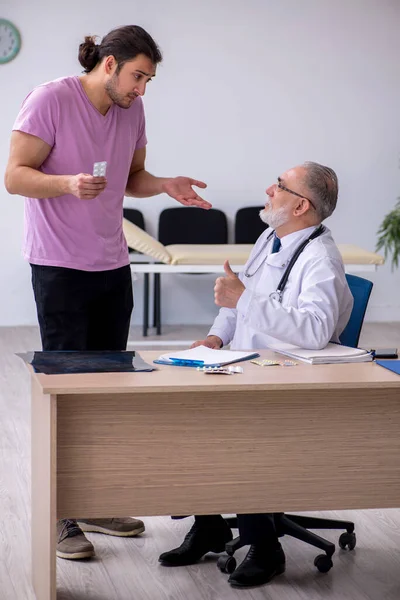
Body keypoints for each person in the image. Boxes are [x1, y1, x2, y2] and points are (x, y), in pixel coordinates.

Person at [4, 25, 211, 561]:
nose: (143, 88)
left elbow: (131, 177)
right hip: (59, 268)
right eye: (139, 76)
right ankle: (59, 516)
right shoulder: (50, 99)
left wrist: (164, 185)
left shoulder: (130, 110)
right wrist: (66, 183)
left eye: (149, 79)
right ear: (110, 63)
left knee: (107, 393)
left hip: (111, 265)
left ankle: (93, 501)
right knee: (65, 393)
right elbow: (15, 177)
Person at [158, 161, 354, 588]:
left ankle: (266, 548)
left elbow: (317, 332)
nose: (268, 189)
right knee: (182, 416)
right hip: (249, 366)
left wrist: (243, 298)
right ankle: (209, 524)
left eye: (280, 186)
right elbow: (235, 300)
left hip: (293, 381)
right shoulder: (270, 237)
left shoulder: (321, 259)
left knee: (237, 430)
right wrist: (214, 339)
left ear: (301, 205)